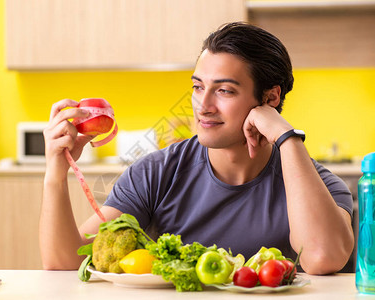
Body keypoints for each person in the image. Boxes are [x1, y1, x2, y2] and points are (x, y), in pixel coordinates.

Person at [39, 22, 354, 274]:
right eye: (198, 87)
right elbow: (65, 261)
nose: (203, 106)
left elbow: (323, 258)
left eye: (224, 90)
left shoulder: (318, 186)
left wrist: (287, 137)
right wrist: (55, 169)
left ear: (270, 98)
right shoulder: (157, 172)